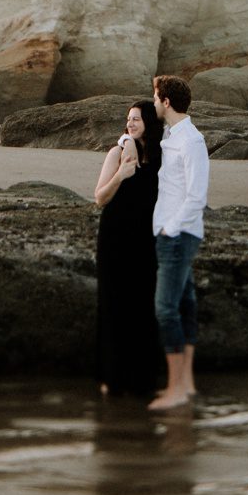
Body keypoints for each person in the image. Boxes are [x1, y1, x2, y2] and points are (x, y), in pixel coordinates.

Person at [92, 100, 164, 397]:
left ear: (149, 121)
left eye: (136, 118)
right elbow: (100, 198)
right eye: (128, 119)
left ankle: (143, 377)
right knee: (113, 304)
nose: (131, 123)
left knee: (143, 305)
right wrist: (121, 174)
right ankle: (112, 376)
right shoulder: (117, 152)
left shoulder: (161, 156)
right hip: (115, 238)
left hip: (147, 239)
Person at [148, 74, 208, 411]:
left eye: (156, 97)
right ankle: (185, 384)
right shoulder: (172, 135)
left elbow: (196, 196)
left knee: (165, 309)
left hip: (178, 234)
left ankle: (175, 389)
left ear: (166, 101)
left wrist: (170, 229)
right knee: (185, 304)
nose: (154, 102)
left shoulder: (191, 141)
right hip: (171, 232)